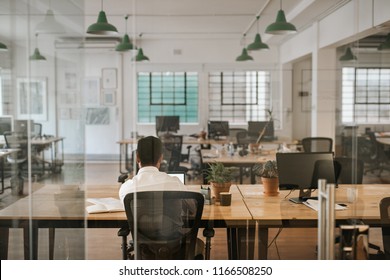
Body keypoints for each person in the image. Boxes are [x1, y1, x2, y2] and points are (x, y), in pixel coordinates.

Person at [118, 136, 204, 259]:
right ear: (161, 157)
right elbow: (193, 207)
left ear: (137, 157)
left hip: (144, 250)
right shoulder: (174, 182)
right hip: (176, 248)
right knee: (198, 243)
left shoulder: (127, 188)